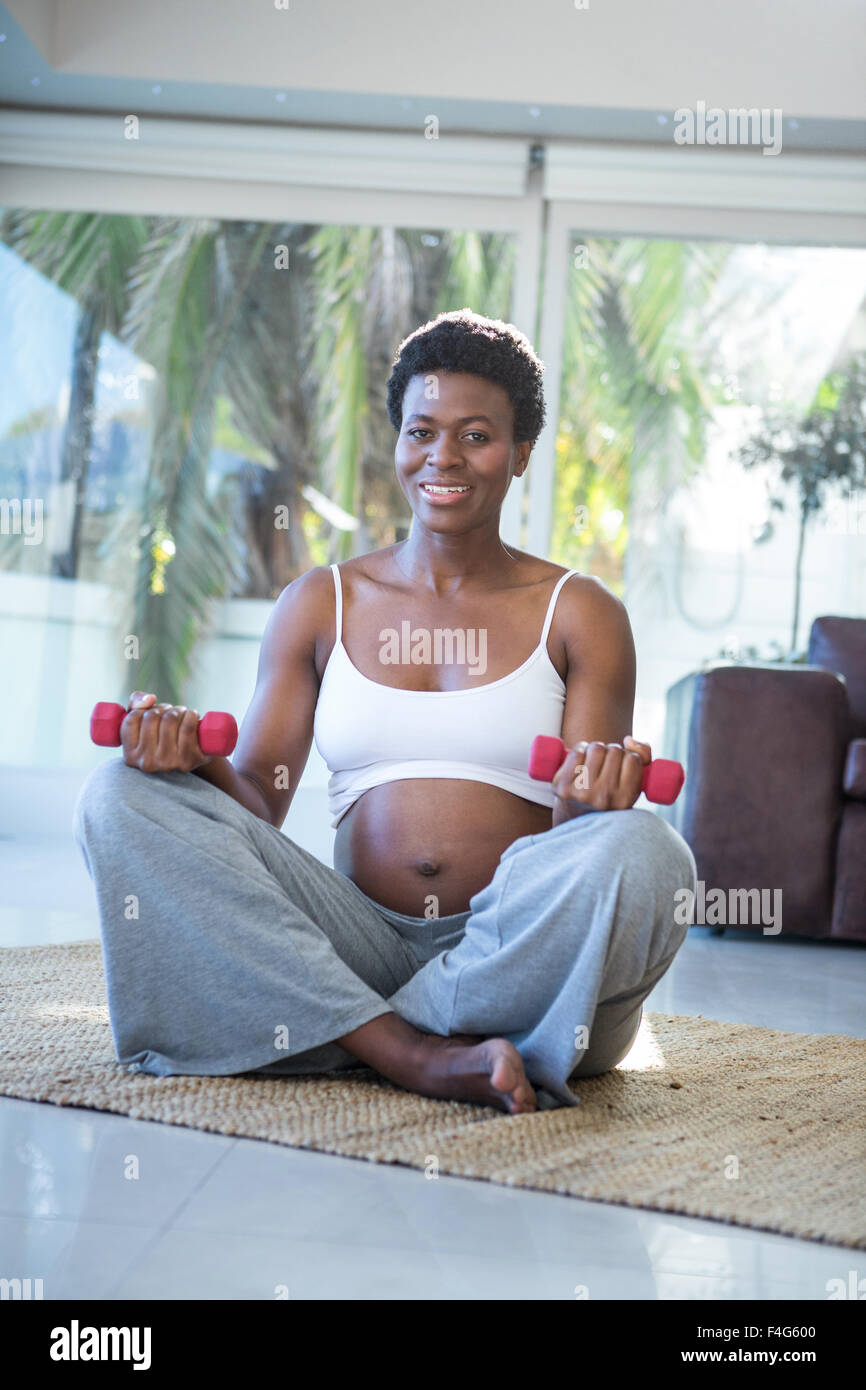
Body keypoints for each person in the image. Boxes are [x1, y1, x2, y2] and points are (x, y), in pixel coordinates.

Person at [74, 308, 696, 1116]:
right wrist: (194, 762)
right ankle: (411, 1050)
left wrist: (589, 800)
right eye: (422, 431)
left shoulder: (581, 612)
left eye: (477, 435)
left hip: (513, 947)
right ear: (398, 442)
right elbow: (255, 807)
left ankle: (330, 1027)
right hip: (357, 942)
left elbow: (581, 843)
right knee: (119, 795)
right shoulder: (320, 602)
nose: (444, 456)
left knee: (648, 851)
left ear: (521, 453)